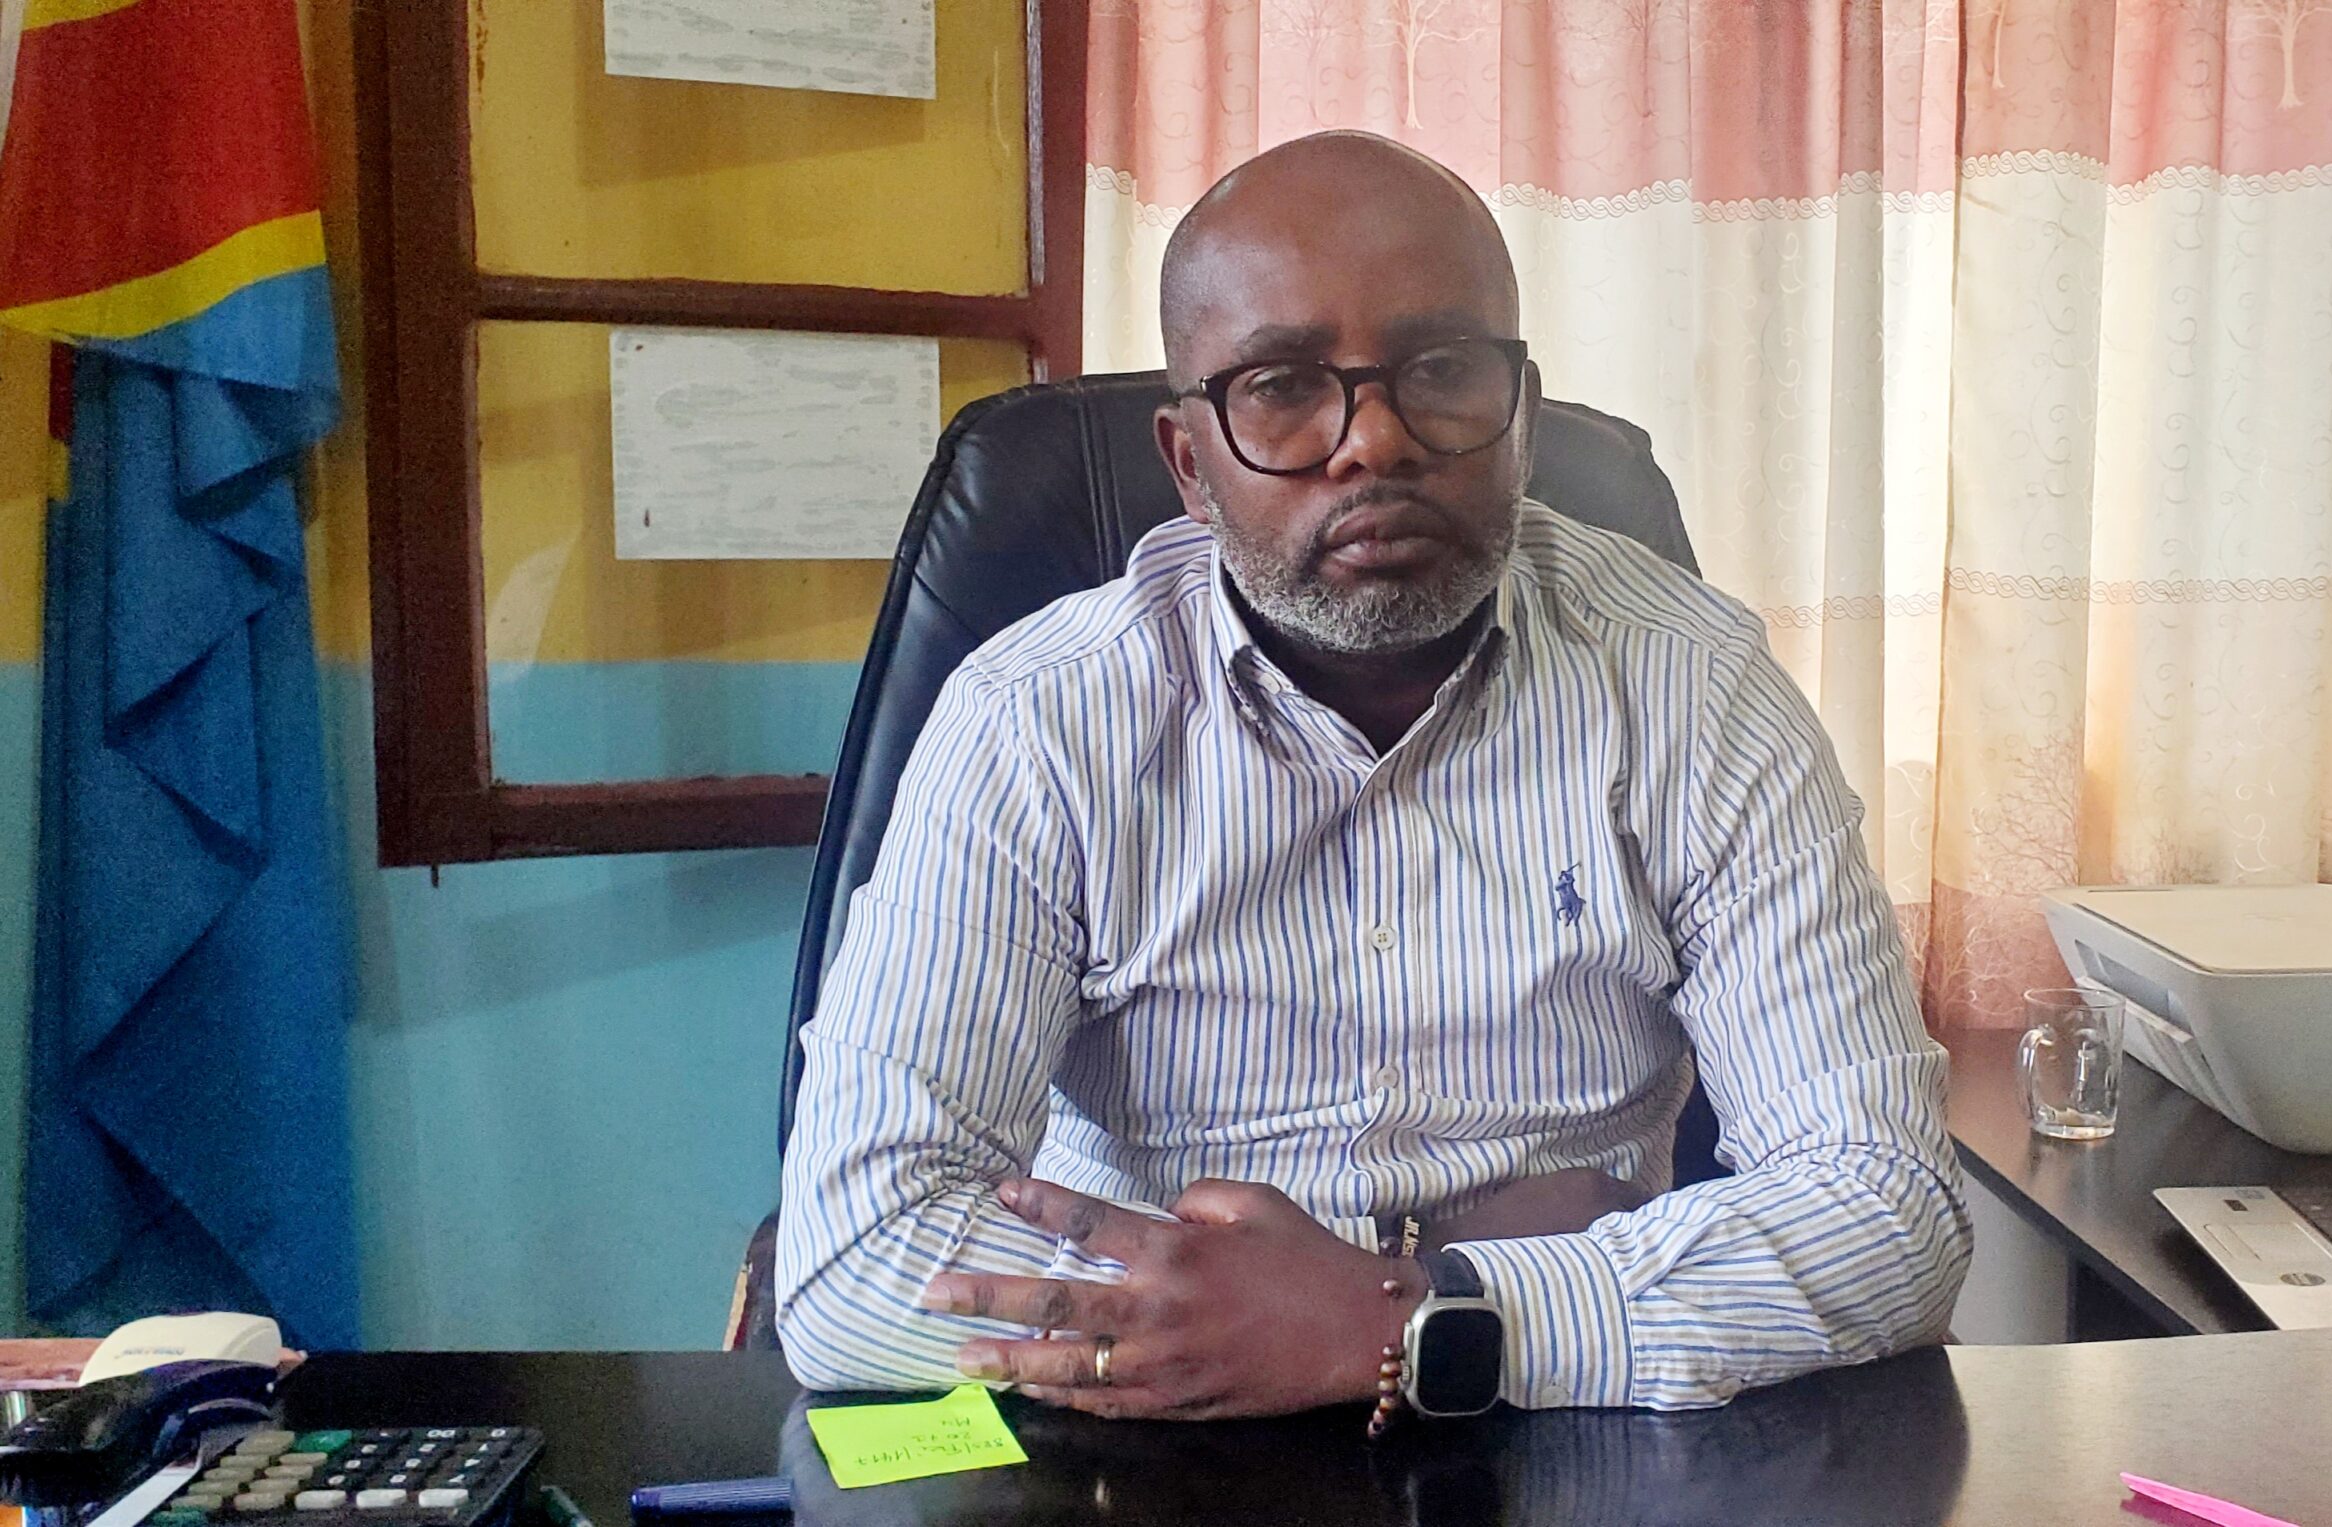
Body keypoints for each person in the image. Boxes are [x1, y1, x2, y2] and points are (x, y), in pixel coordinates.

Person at [778, 131, 1969, 1418]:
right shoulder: (1038, 720)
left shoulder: (1693, 685)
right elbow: (854, 1259)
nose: (1374, 441)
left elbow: (1890, 1208)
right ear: (1188, 463)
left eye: (1441, 369)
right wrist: (1290, 1309)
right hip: (1163, 1441)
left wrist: (1409, 1311)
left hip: (1564, 1425)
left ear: (1520, 418)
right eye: (1283, 385)